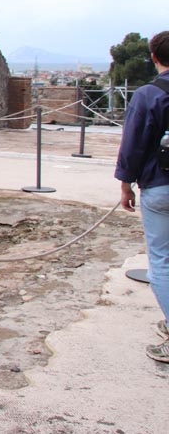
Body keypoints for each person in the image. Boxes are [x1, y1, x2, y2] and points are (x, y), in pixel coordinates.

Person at [116, 30, 169, 363]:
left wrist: (125, 182)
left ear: (153, 56)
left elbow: (133, 145)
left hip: (159, 185)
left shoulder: (149, 94)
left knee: (161, 260)